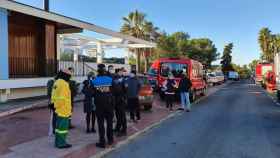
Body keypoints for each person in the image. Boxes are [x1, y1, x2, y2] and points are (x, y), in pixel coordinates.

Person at [91, 64, 114, 148]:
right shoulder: (110, 79)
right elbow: (113, 91)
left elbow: (91, 93)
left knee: (100, 124)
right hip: (109, 104)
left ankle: (102, 142)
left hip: (99, 105)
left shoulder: (94, 80)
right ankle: (110, 140)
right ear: (105, 71)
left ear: (98, 71)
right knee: (109, 123)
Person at [51, 69, 72, 149]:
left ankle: (57, 142)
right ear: (65, 75)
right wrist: (56, 105)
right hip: (63, 109)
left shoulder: (56, 82)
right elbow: (62, 99)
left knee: (58, 128)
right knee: (62, 128)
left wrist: (53, 105)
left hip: (57, 109)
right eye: (69, 76)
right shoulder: (64, 84)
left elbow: (53, 96)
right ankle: (61, 143)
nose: (70, 78)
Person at [112, 68, 127, 137]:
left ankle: (124, 130)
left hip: (121, 100)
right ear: (117, 72)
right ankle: (117, 128)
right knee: (118, 115)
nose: (122, 73)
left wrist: (124, 97)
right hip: (116, 100)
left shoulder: (122, 79)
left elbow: (126, 89)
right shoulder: (114, 79)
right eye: (121, 72)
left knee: (122, 115)